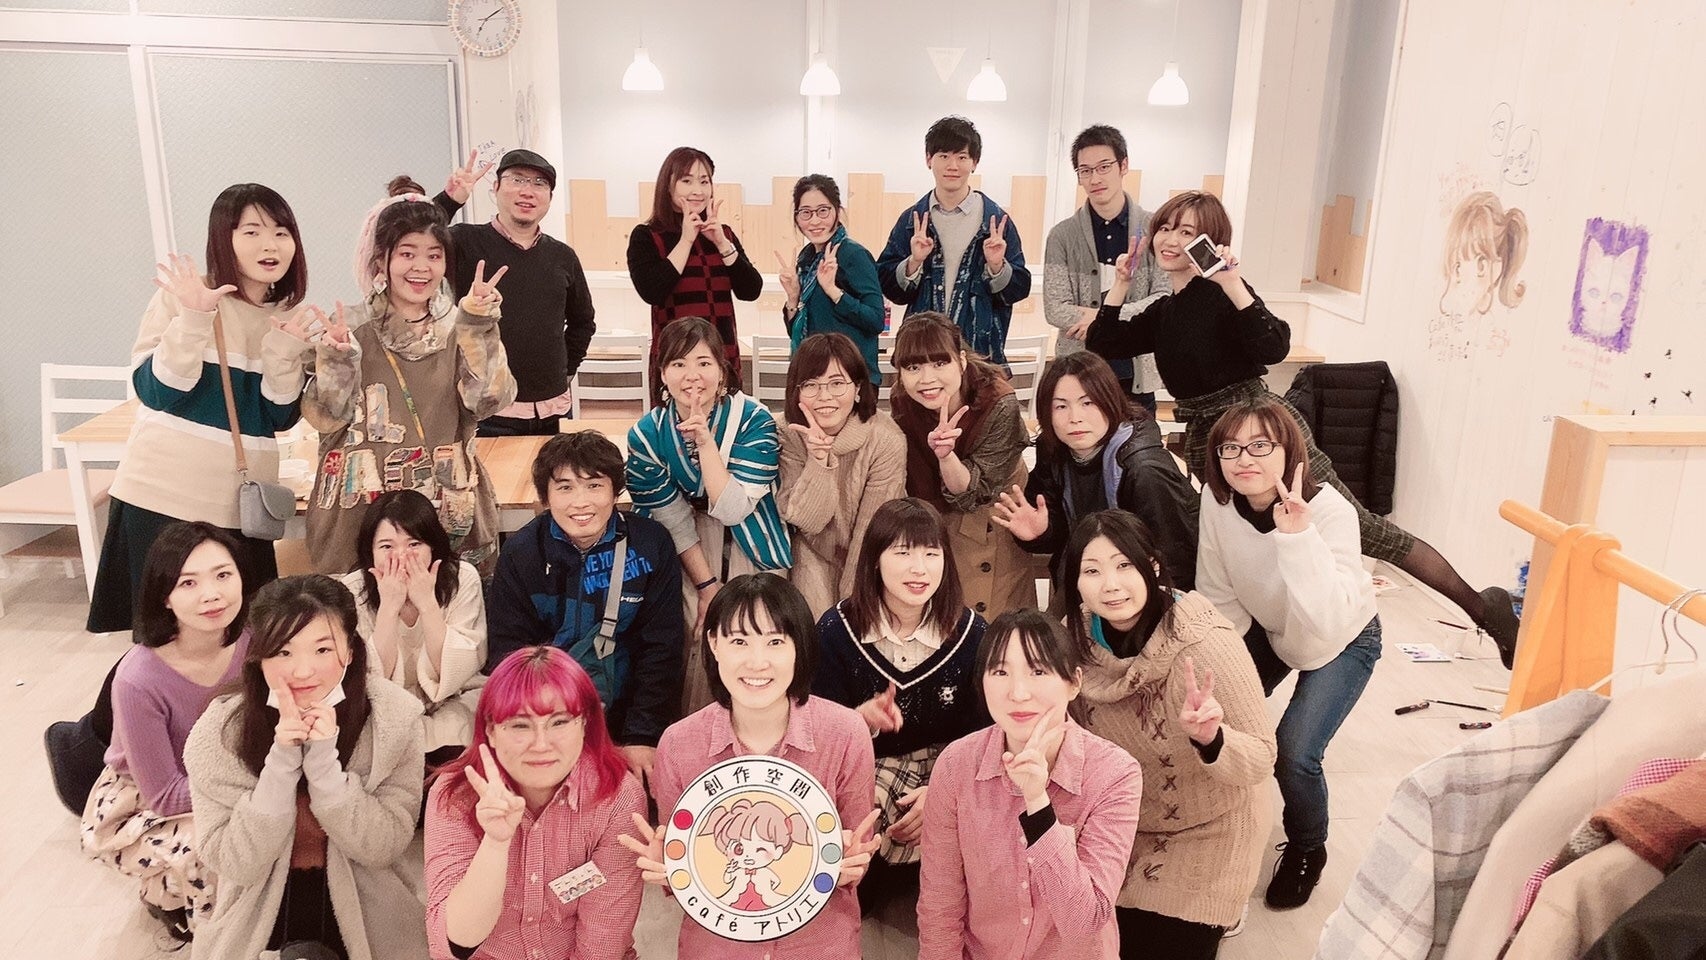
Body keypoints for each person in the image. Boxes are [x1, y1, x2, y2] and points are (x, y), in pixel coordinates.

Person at [1084, 189, 1521, 658]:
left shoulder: (1221, 293)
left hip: (1262, 429)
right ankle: (1256, 645)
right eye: (1166, 228)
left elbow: (1275, 346)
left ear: (1210, 242)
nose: (1171, 239)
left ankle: (1482, 609)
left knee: (1365, 529)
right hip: (1209, 436)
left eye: (1187, 232)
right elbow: (1104, 341)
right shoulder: (1165, 310)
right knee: (1239, 538)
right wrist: (1121, 283)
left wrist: (1233, 283)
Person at [620, 573, 881, 960]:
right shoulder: (679, 743)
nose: (757, 662)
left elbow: (855, 850)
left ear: (799, 647)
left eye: (775, 642)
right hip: (717, 949)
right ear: (713, 643)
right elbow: (689, 872)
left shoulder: (845, 732)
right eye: (739, 641)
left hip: (819, 945)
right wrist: (672, 869)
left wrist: (850, 866)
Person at [89, 183, 313, 632]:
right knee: (167, 639)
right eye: (252, 231)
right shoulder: (185, 297)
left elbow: (279, 417)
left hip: (240, 508)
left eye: (281, 232)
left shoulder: (290, 314)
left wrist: (286, 350)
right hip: (163, 498)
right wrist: (194, 318)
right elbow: (156, 391)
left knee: (243, 639)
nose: (270, 245)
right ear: (222, 239)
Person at [1058, 510, 1276, 958]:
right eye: (1092, 571)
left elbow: (1261, 757)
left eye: (1124, 565)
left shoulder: (1205, 642)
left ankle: (1223, 911)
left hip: (1209, 825)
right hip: (1119, 823)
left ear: (1153, 566)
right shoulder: (1074, 639)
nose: (1111, 585)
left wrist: (1212, 738)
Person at [1195, 398, 1383, 909]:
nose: (1244, 459)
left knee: (1295, 753)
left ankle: (1307, 848)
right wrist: (1223, 669)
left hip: (1342, 636)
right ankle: (1216, 825)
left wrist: (1296, 536)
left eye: (1260, 445)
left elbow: (1325, 618)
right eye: (1230, 447)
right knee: (1213, 717)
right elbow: (1218, 591)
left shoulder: (1331, 512)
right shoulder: (1217, 501)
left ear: (1289, 452)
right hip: (1274, 627)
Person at [184, 574, 426, 960]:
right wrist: (281, 762)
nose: (302, 671)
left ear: (350, 650)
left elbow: (385, 846)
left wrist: (325, 768)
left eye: (323, 649)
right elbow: (235, 864)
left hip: (368, 902)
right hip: (258, 905)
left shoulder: (394, 720)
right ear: (258, 656)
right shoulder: (221, 731)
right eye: (283, 652)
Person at [301, 196, 516, 576]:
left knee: (448, 607)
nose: (421, 267)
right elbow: (326, 418)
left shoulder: (461, 325)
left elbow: (488, 401)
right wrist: (336, 359)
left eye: (434, 255)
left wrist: (479, 327)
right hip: (361, 511)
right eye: (407, 253)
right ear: (381, 260)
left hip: (446, 506)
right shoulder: (348, 327)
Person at [916, 609, 1143, 960]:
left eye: (1038, 671)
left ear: (1074, 683)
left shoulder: (1114, 773)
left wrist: (1037, 802)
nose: (1018, 693)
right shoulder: (956, 765)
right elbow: (940, 904)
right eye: (1000, 672)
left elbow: (1084, 923)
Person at [812, 497, 988, 915]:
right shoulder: (836, 630)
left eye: (931, 553)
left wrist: (942, 792)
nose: (919, 569)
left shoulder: (973, 633)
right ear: (874, 560)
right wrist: (857, 720)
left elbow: (985, 735)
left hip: (951, 764)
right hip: (868, 764)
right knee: (858, 881)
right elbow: (816, 730)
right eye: (903, 552)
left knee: (957, 884)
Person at [81, 522, 252, 941]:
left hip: (227, 773)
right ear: (165, 596)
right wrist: (258, 786)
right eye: (188, 582)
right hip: (143, 800)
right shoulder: (138, 678)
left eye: (223, 575)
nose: (212, 594)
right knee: (220, 844)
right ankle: (174, 902)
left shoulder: (253, 641)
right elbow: (165, 794)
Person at [485, 431, 685, 787]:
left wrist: (643, 735)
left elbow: (662, 649)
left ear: (615, 491)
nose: (581, 503)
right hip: (546, 717)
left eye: (594, 486)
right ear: (545, 496)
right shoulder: (522, 553)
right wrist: (542, 731)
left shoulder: (650, 545)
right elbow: (509, 653)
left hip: (625, 717)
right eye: (565, 488)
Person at [424, 646, 648, 960]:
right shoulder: (456, 794)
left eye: (559, 722)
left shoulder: (618, 798)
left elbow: (601, 947)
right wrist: (495, 844)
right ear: (491, 730)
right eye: (520, 725)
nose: (541, 744)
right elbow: (456, 942)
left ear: (585, 724)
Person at [626, 318, 791, 714]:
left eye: (703, 363)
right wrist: (706, 586)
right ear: (662, 373)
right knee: (694, 631)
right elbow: (671, 517)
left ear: (722, 370)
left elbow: (734, 509)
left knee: (756, 629)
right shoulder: (647, 434)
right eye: (678, 364)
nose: (692, 375)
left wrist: (705, 443)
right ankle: (695, 728)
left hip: (752, 532)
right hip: (689, 543)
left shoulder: (754, 419)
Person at [994, 351, 1197, 596]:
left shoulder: (1145, 470)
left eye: (1087, 403)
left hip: (1142, 594)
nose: (1075, 418)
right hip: (1086, 581)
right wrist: (1041, 533)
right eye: (1061, 406)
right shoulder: (1055, 449)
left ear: (1111, 401)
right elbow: (1060, 530)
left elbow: (1176, 565)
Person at [434, 149, 597, 436]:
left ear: (549, 197)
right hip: (486, 411)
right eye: (517, 179)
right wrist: (449, 201)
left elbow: (582, 322)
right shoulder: (464, 241)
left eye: (539, 183)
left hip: (554, 409)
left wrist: (565, 371)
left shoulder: (563, 256)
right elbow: (407, 236)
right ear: (496, 188)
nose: (527, 191)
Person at [889, 312, 1040, 619]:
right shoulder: (904, 400)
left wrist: (946, 456)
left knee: (992, 623)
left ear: (960, 359)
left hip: (991, 513)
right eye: (913, 367)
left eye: (939, 363)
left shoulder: (999, 402)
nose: (926, 379)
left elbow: (973, 493)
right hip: (933, 519)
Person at [339, 489, 487, 762]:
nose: (402, 557)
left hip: (453, 698)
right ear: (370, 552)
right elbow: (368, 678)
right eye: (387, 547)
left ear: (433, 547)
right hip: (380, 708)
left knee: (460, 731)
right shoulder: (352, 590)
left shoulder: (462, 578)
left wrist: (427, 604)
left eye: (414, 544)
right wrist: (389, 607)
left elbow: (459, 669)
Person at [877, 116, 1031, 367]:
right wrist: (914, 262)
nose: (953, 166)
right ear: (929, 159)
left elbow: (1019, 289)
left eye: (962, 157)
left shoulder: (996, 221)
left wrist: (997, 267)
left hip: (980, 355)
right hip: (924, 354)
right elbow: (889, 286)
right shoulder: (912, 220)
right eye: (943, 156)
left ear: (974, 162)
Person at [775, 333, 906, 618]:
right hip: (807, 553)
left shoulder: (886, 439)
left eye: (837, 383)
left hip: (867, 560)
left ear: (857, 389)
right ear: (797, 392)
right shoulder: (787, 432)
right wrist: (819, 460)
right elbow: (808, 520)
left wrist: (850, 609)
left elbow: (871, 533)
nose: (824, 397)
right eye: (811, 385)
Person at [1042, 125, 1168, 408]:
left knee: (1139, 436)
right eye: (1085, 170)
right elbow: (1055, 308)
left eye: (1104, 167)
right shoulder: (1062, 235)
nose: (1095, 178)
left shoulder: (1154, 229)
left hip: (1136, 374)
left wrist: (1103, 320)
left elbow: (1163, 299)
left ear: (1123, 166)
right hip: (1079, 375)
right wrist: (1107, 319)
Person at [626, 147, 763, 394]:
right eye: (687, 181)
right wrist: (686, 240)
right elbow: (652, 292)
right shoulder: (646, 236)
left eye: (704, 181)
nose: (697, 190)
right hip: (675, 361)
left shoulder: (723, 234)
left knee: (725, 418)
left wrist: (722, 243)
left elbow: (751, 290)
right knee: (675, 419)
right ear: (668, 186)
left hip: (720, 358)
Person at [775, 175, 885, 373]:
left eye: (823, 211)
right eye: (806, 212)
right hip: (813, 372)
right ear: (797, 217)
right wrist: (793, 298)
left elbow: (876, 320)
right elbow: (800, 332)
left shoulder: (853, 254)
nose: (815, 220)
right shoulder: (806, 259)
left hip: (851, 376)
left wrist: (833, 291)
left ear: (837, 211)